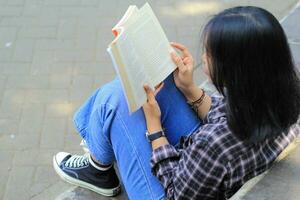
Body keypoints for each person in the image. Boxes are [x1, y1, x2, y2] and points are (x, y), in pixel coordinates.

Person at [52, 6, 300, 200]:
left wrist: (155, 129)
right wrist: (190, 89)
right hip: (221, 173)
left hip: (178, 189)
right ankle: (98, 156)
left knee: (114, 99)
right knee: (164, 82)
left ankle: (97, 165)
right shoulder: (285, 95)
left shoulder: (212, 145)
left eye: (210, 54)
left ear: (234, 71)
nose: (203, 57)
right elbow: (230, 118)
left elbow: (175, 191)